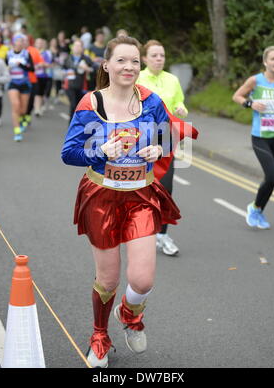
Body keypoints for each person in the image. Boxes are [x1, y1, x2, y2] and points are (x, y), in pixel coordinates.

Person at [61, 35, 185, 368]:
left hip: (141, 196)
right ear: (107, 65)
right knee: (108, 280)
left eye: (134, 61)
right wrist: (99, 151)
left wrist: (159, 148)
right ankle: (100, 336)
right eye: (121, 60)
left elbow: (170, 134)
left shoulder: (152, 101)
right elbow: (68, 153)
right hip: (101, 196)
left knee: (143, 280)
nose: (129, 67)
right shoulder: (90, 104)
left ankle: (130, 314)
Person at [137, 39, 188, 256]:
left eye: (162, 55)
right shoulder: (137, 78)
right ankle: (137, 230)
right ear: (145, 58)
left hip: (166, 139)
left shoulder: (172, 80)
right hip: (139, 140)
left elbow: (180, 102)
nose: (159, 59)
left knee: (166, 189)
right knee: (140, 188)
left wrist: (180, 108)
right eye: (155, 55)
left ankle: (162, 234)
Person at [233, 46, 274, 229]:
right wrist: (250, 103)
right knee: (272, 176)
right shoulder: (255, 80)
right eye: (273, 59)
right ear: (265, 62)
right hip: (261, 136)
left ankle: (257, 209)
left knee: (272, 179)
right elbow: (237, 96)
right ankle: (255, 208)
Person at [6, 35, 34, 141]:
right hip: (12, 83)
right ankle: (17, 131)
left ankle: (22, 118)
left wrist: (21, 65)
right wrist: (8, 68)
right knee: (15, 105)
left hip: (24, 83)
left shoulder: (26, 54)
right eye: (18, 41)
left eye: (22, 41)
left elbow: (32, 69)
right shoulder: (8, 54)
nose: (20, 43)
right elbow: (3, 68)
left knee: (23, 110)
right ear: (14, 42)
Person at [63, 39, 97, 120]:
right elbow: (62, 69)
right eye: (75, 46)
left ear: (82, 48)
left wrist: (87, 69)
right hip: (70, 85)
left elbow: (94, 69)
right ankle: (71, 126)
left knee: (80, 107)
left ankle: (78, 124)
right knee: (73, 105)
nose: (77, 48)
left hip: (82, 86)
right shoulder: (68, 58)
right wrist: (65, 73)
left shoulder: (86, 59)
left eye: (79, 46)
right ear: (72, 47)